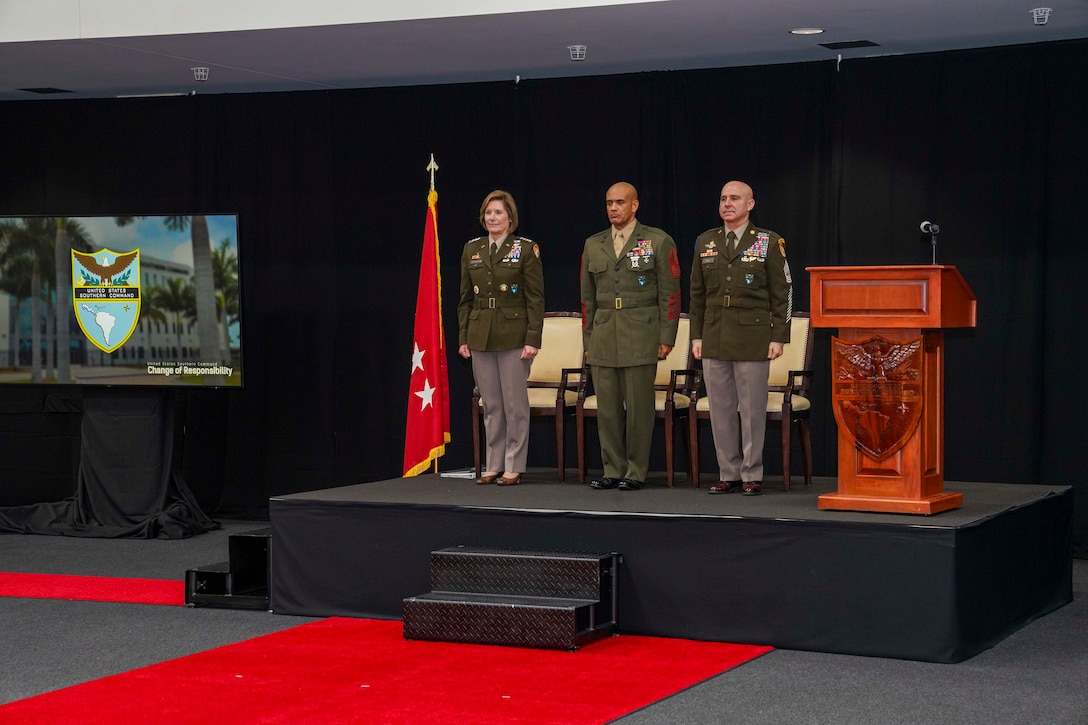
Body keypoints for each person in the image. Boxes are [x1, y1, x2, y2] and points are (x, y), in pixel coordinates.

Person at [689, 181, 793, 496]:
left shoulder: (767, 241)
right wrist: (696, 336)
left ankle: (751, 473)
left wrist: (779, 337)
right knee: (720, 410)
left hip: (753, 337)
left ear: (750, 204)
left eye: (735, 198)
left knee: (751, 411)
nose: (727, 204)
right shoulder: (706, 241)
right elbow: (697, 294)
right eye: (723, 198)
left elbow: (783, 292)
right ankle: (728, 473)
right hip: (715, 335)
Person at [581, 182, 681, 491]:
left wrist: (666, 336)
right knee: (607, 408)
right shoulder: (593, 244)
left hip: (641, 331)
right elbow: (587, 298)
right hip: (603, 332)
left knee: (639, 408)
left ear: (634, 205)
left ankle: (635, 471)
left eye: (620, 202)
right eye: (609, 202)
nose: (613, 208)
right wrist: (587, 340)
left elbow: (671, 294)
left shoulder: (657, 241)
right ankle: (613, 468)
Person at [458, 190, 545, 486]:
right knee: (491, 405)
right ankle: (493, 463)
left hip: (514, 336)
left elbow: (535, 299)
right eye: (488, 213)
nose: (492, 218)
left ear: (510, 218)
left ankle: (514, 464)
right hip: (480, 333)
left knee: (514, 405)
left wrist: (533, 338)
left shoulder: (525, 248)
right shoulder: (472, 250)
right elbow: (465, 300)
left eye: (498, 213)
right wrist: (463, 337)